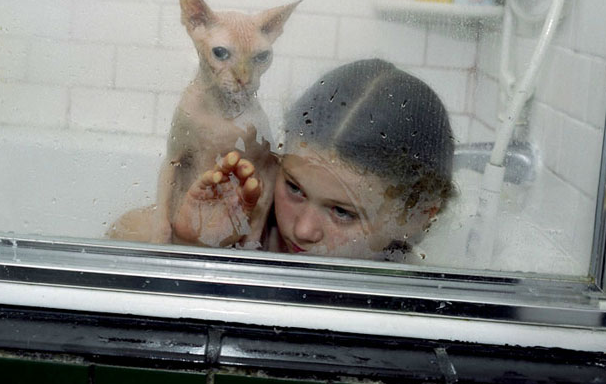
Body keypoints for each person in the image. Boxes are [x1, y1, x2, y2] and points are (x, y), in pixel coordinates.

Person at [168, 59, 455, 261]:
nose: (303, 230)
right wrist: (192, 244)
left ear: (416, 216)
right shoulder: (244, 232)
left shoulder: (415, 291)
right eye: (294, 188)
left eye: (342, 212)